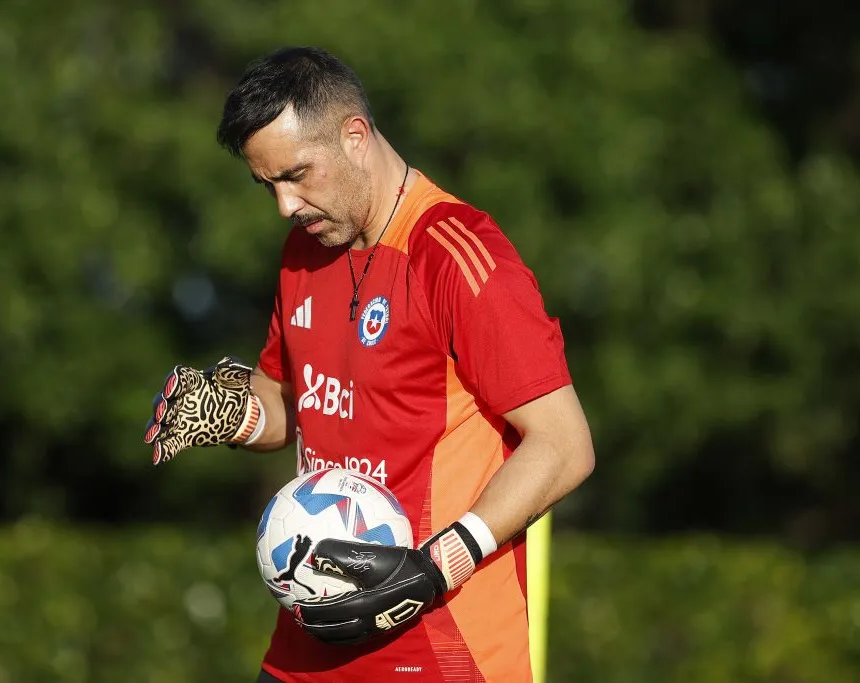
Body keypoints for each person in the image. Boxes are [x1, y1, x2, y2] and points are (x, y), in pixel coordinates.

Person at [144, 46, 595, 683]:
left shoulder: (458, 256)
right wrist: (233, 414)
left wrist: (441, 565)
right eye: (267, 184)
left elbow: (565, 445)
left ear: (356, 135)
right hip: (308, 646)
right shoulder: (302, 251)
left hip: (443, 647)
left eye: (297, 174)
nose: (285, 205)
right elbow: (290, 409)